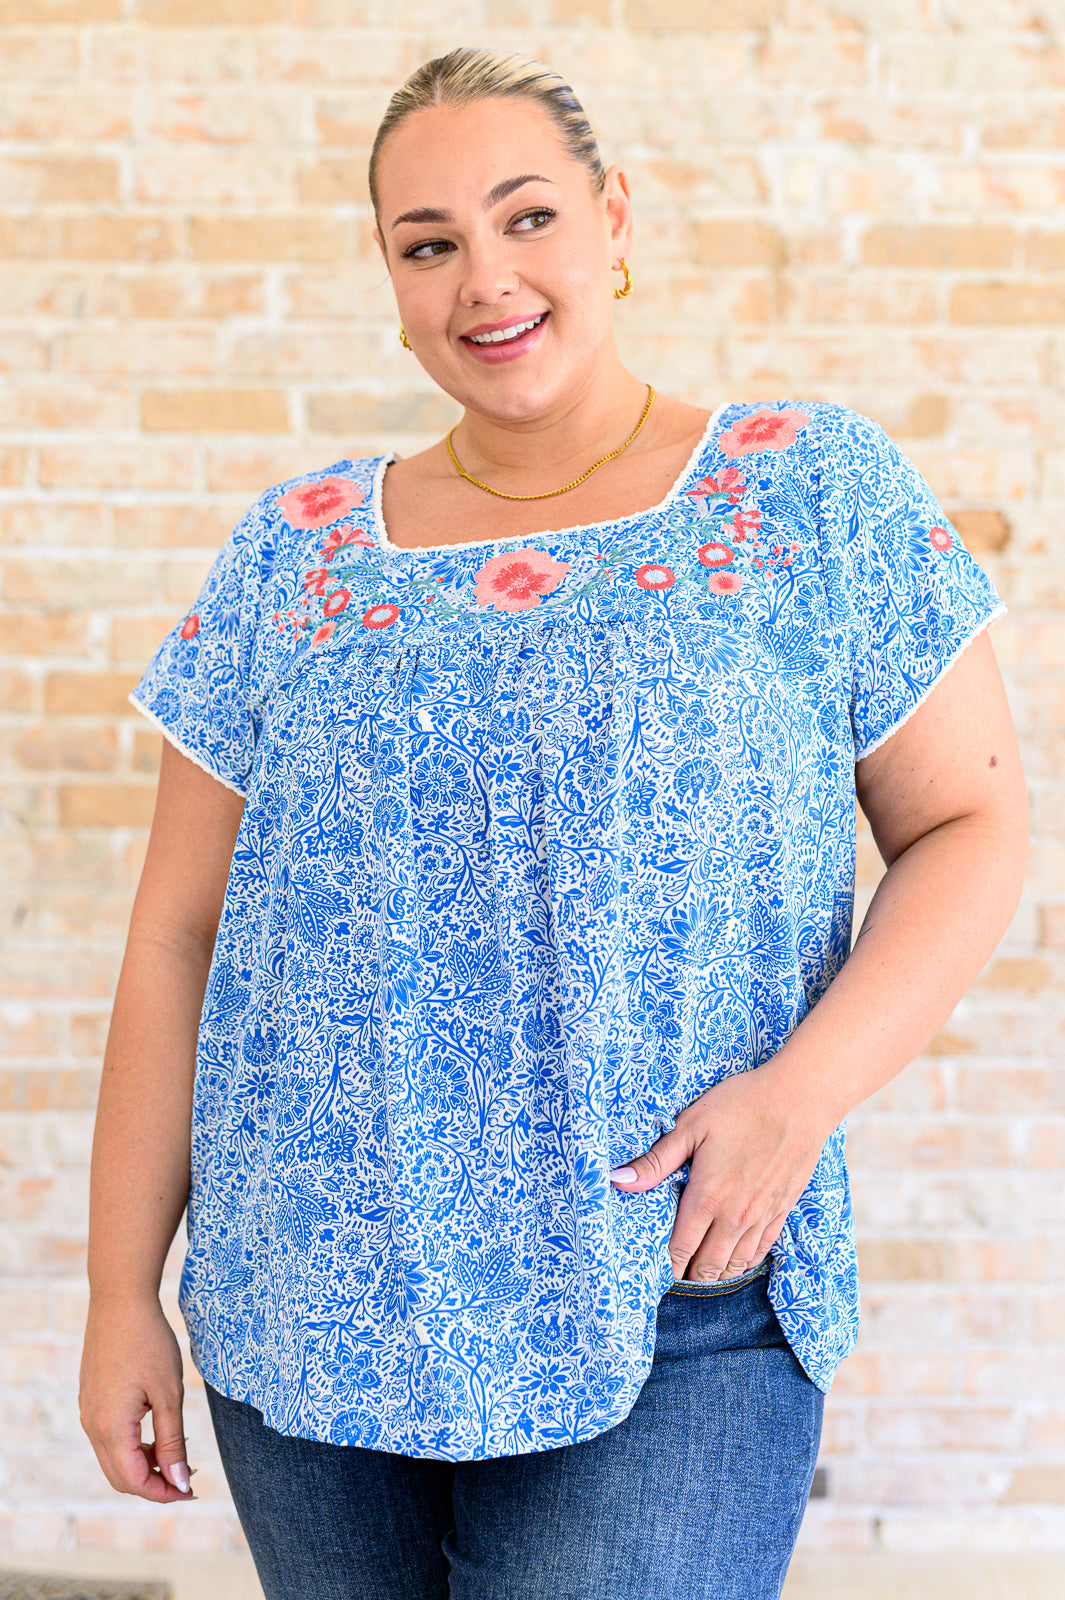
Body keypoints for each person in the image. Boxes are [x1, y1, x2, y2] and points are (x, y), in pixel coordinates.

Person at [79, 45, 1029, 1600]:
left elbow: (971, 830)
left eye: (525, 219)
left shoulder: (807, 492)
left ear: (612, 221)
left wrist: (796, 1102)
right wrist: (122, 1286)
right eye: (428, 242)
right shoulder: (297, 551)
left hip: (671, 1285)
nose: (484, 280)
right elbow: (182, 934)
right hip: (308, 1290)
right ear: (387, 273)